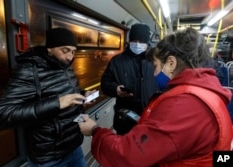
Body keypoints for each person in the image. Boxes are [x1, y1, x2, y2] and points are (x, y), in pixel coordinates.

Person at [78, 28, 233, 167]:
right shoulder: (207, 91)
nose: (154, 73)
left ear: (171, 63)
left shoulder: (184, 104)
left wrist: (95, 130)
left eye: (156, 66)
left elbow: (129, 156)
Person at [0, 28, 93, 167]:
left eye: (73, 52)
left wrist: (83, 94)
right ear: (50, 48)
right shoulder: (29, 70)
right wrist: (57, 103)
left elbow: (67, 90)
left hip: (73, 146)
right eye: (65, 50)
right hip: (49, 158)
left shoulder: (65, 66)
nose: (70, 57)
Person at [100, 23, 159, 135]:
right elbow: (105, 83)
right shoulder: (117, 61)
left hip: (150, 118)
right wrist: (115, 89)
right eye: (134, 41)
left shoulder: (155, 61)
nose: (137, 44)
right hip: (125, 119)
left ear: (147, 43)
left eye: (141, 42)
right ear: (129, 41)